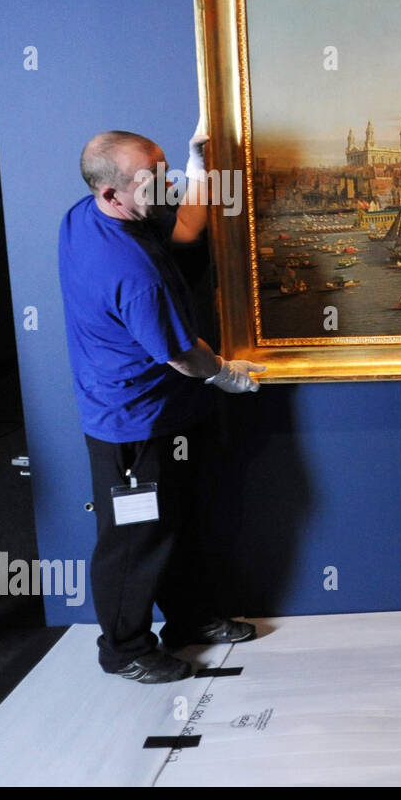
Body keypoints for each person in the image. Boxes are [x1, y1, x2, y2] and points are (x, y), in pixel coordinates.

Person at [59, 129, 267, 683]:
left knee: (177, 522)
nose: (169, 182)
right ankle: (124, 648)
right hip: (132, 425)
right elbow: (183, 357)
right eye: (157, 177)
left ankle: (190, 619)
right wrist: (226, 375)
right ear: (113, 194)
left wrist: (199, 170)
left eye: (168, 168)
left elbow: (188, 225)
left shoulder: (93, 211)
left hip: (166, 414)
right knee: (136, 538)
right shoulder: (130, 270)